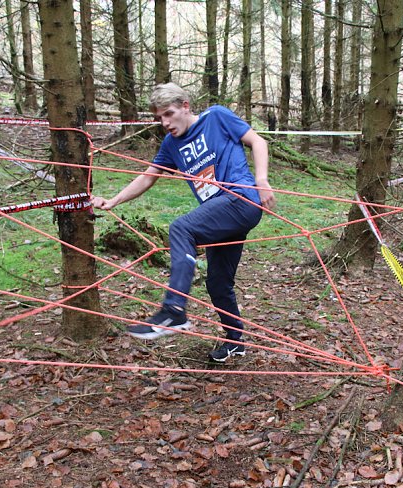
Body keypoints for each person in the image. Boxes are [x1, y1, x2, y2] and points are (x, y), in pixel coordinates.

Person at [92, 83, 276, 362]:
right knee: (217, 283)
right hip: (220, 215)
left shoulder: (216, 117)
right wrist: (113, 201)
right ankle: (235, 340)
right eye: (159, 118)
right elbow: (148, 176)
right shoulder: (171, 144)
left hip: (240, 200)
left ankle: (174, 310)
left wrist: (261, 180)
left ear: (186, 106)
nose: (165, 123)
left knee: (181, 228)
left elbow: (257, 141)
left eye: (169, 113)